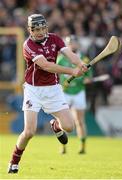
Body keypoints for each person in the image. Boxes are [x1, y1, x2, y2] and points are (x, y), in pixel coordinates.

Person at [8, 14, 88, 173]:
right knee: (29, 132)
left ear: (46, 28)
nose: (39, 32)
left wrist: (80, 64)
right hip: (33, 90)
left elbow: (70, 54)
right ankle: (14, 162)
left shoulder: (55, 39)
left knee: (69, 127)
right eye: (36, 29)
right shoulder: (28, 45)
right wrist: (72, 71)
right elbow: (46, 66)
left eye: (42, 28)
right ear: (30, 30)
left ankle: (56, 125)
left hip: (53, 89)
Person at [57, 35, 92, 154]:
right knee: (62, 121)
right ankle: (63, 146)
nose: (72, 45)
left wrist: (86, 80)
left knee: (79, 121)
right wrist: (60, 84)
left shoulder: (85, 60)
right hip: (65, 93)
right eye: (69, 43)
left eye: (74, 42)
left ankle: (82, 146)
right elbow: (55, 75)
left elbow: (88, 77)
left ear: (78, 44)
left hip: (78, 92)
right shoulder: (61, 59)